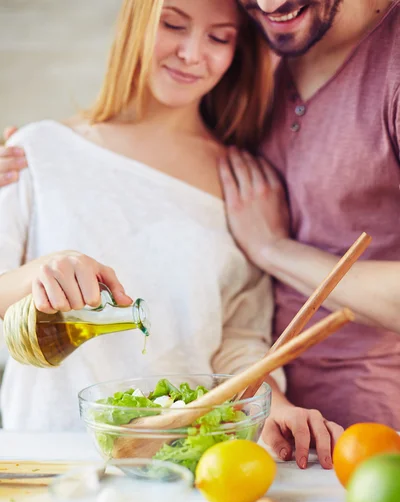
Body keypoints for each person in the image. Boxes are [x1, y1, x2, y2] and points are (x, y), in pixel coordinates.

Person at [0, 0, 302, 455]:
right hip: (45, 455)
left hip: (185, 457)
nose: (191, 53)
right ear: (137, 19)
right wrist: (36, 274)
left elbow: (240, 337)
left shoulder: (242, 180)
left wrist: (271, 404)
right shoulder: (37, 151)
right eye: (174, 24)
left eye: (219, 38)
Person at [216, 0, 400, 459]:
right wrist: (26, 160)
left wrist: (273, 248)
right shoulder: (253, 43)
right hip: (254, 423)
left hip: (367, 439)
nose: (271, 3)